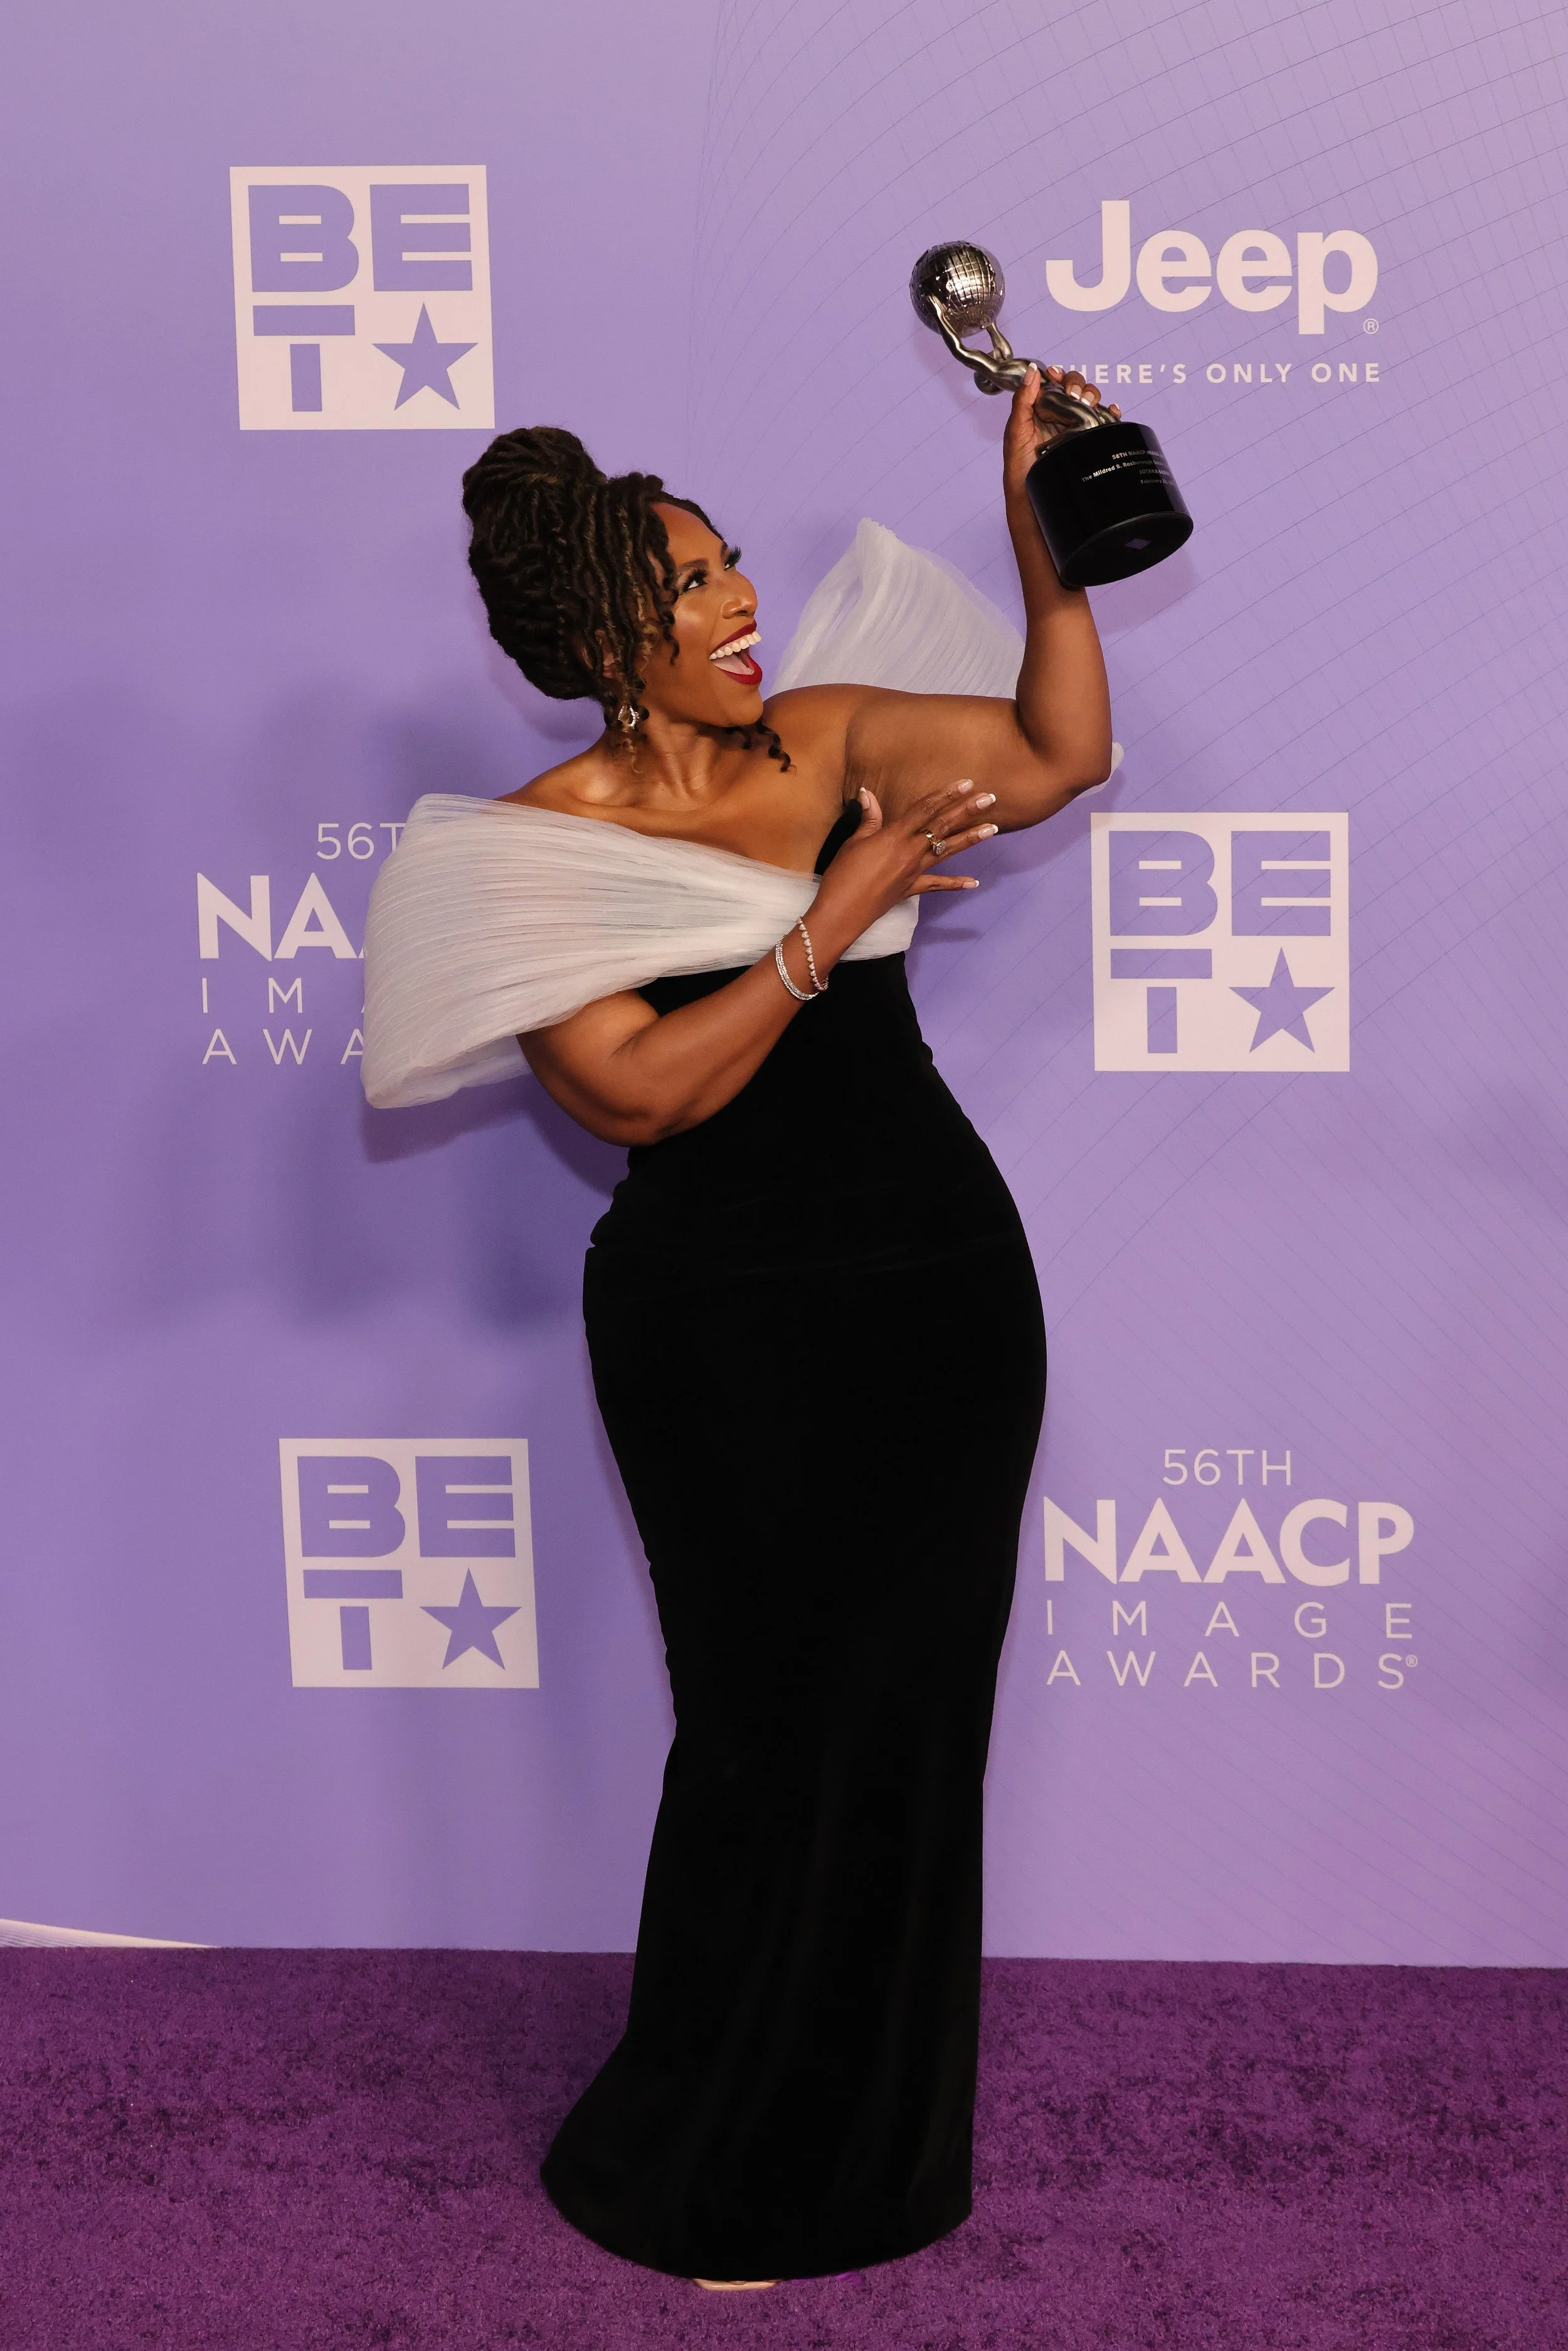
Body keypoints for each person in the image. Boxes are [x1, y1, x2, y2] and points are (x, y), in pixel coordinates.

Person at [361, 365, 1116, 2288]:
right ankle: (719, 2142)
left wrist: (1043, 531)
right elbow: (632, 1093)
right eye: (688, 587)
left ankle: (871, 2152)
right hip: (721, 1327)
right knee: (764, 1722)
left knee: (912, 1719)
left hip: (938, 1295)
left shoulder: (836, 728)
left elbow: (1056, 753)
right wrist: (830, 903)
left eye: (726, 566)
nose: (736, 605)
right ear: (607, 639)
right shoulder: (528, 847)